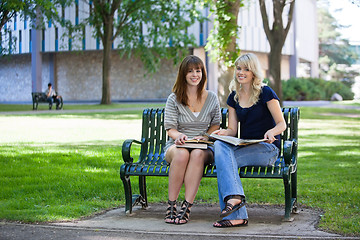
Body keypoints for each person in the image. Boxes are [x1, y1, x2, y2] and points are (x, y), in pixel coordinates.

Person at [212, 53, 287, 228]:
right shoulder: (234, 97)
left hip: (267, 149)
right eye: (239, 68)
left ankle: (235, 213)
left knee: (223, 162)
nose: (241, 72)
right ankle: (236, 205)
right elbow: (232, 130)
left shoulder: (266, 92)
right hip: (245, 147)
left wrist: (271, 132)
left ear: (253, 72)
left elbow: (281, 124)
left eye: (246, 69)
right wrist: (222, 133)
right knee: (219, 146)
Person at [164, 55, 221, 225]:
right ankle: (171, 205)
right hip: (178, 144)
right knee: (182, 155)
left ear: (203, 73)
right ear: (183, 74)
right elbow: (170, 128)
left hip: (203, 146)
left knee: (196, 154)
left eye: (198, 70)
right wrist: (179, 136)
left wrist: (204, 136)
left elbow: (216, 125)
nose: (195, 74)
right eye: (190, 71)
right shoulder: (173, 99)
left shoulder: (211, 97)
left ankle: (186, 207)